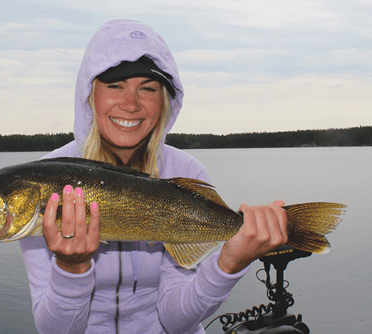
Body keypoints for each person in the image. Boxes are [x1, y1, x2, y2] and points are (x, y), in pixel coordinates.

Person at [20, 19, 288, 334]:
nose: (131, 103)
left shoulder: (185, 173)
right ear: (90, 94)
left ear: (164, 102)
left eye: (147, 88)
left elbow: (175, 320)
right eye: (115, 85)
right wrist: (72, 268)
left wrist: (229, 263)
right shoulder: (45, 182)